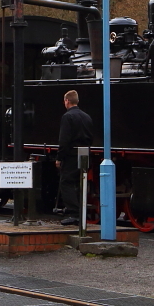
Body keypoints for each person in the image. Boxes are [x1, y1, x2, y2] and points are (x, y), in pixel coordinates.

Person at [55, 89, 93, 225]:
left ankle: (74, 213)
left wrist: (59, 157)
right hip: (85, 153)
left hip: (71, 154)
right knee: (79, 183)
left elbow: (64, 140)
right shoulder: (87, 116)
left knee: (66, 182)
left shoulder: (67, 117)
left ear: (67, 101)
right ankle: (81, 212)